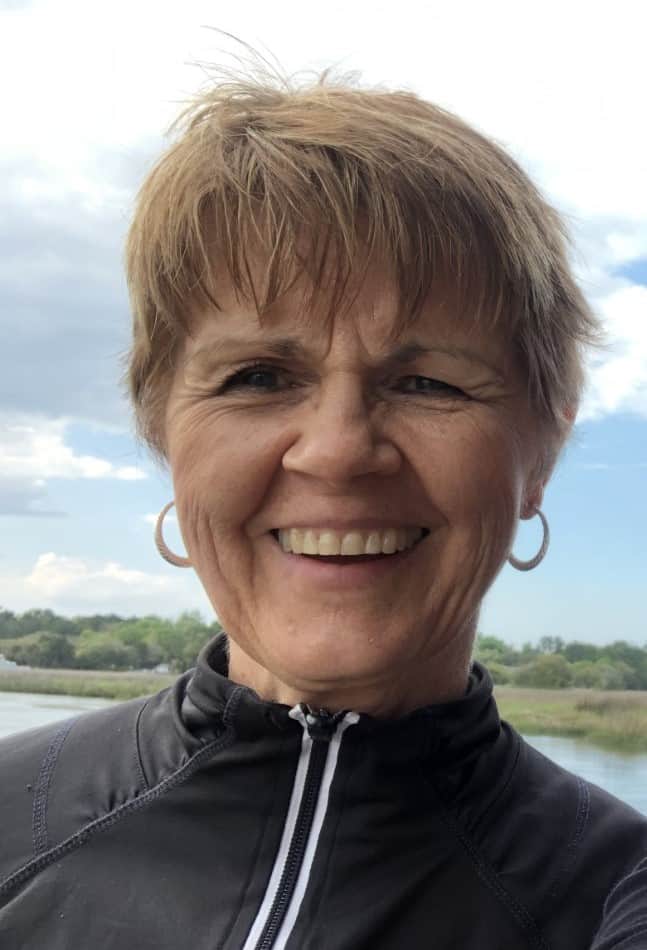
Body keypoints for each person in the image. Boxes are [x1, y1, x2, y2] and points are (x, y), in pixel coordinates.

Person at [1, 69, 646, 950]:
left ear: (543, 451)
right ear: (162, 433)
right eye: (258, 377)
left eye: (429, 382)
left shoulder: (613, 898)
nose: (337, 452)